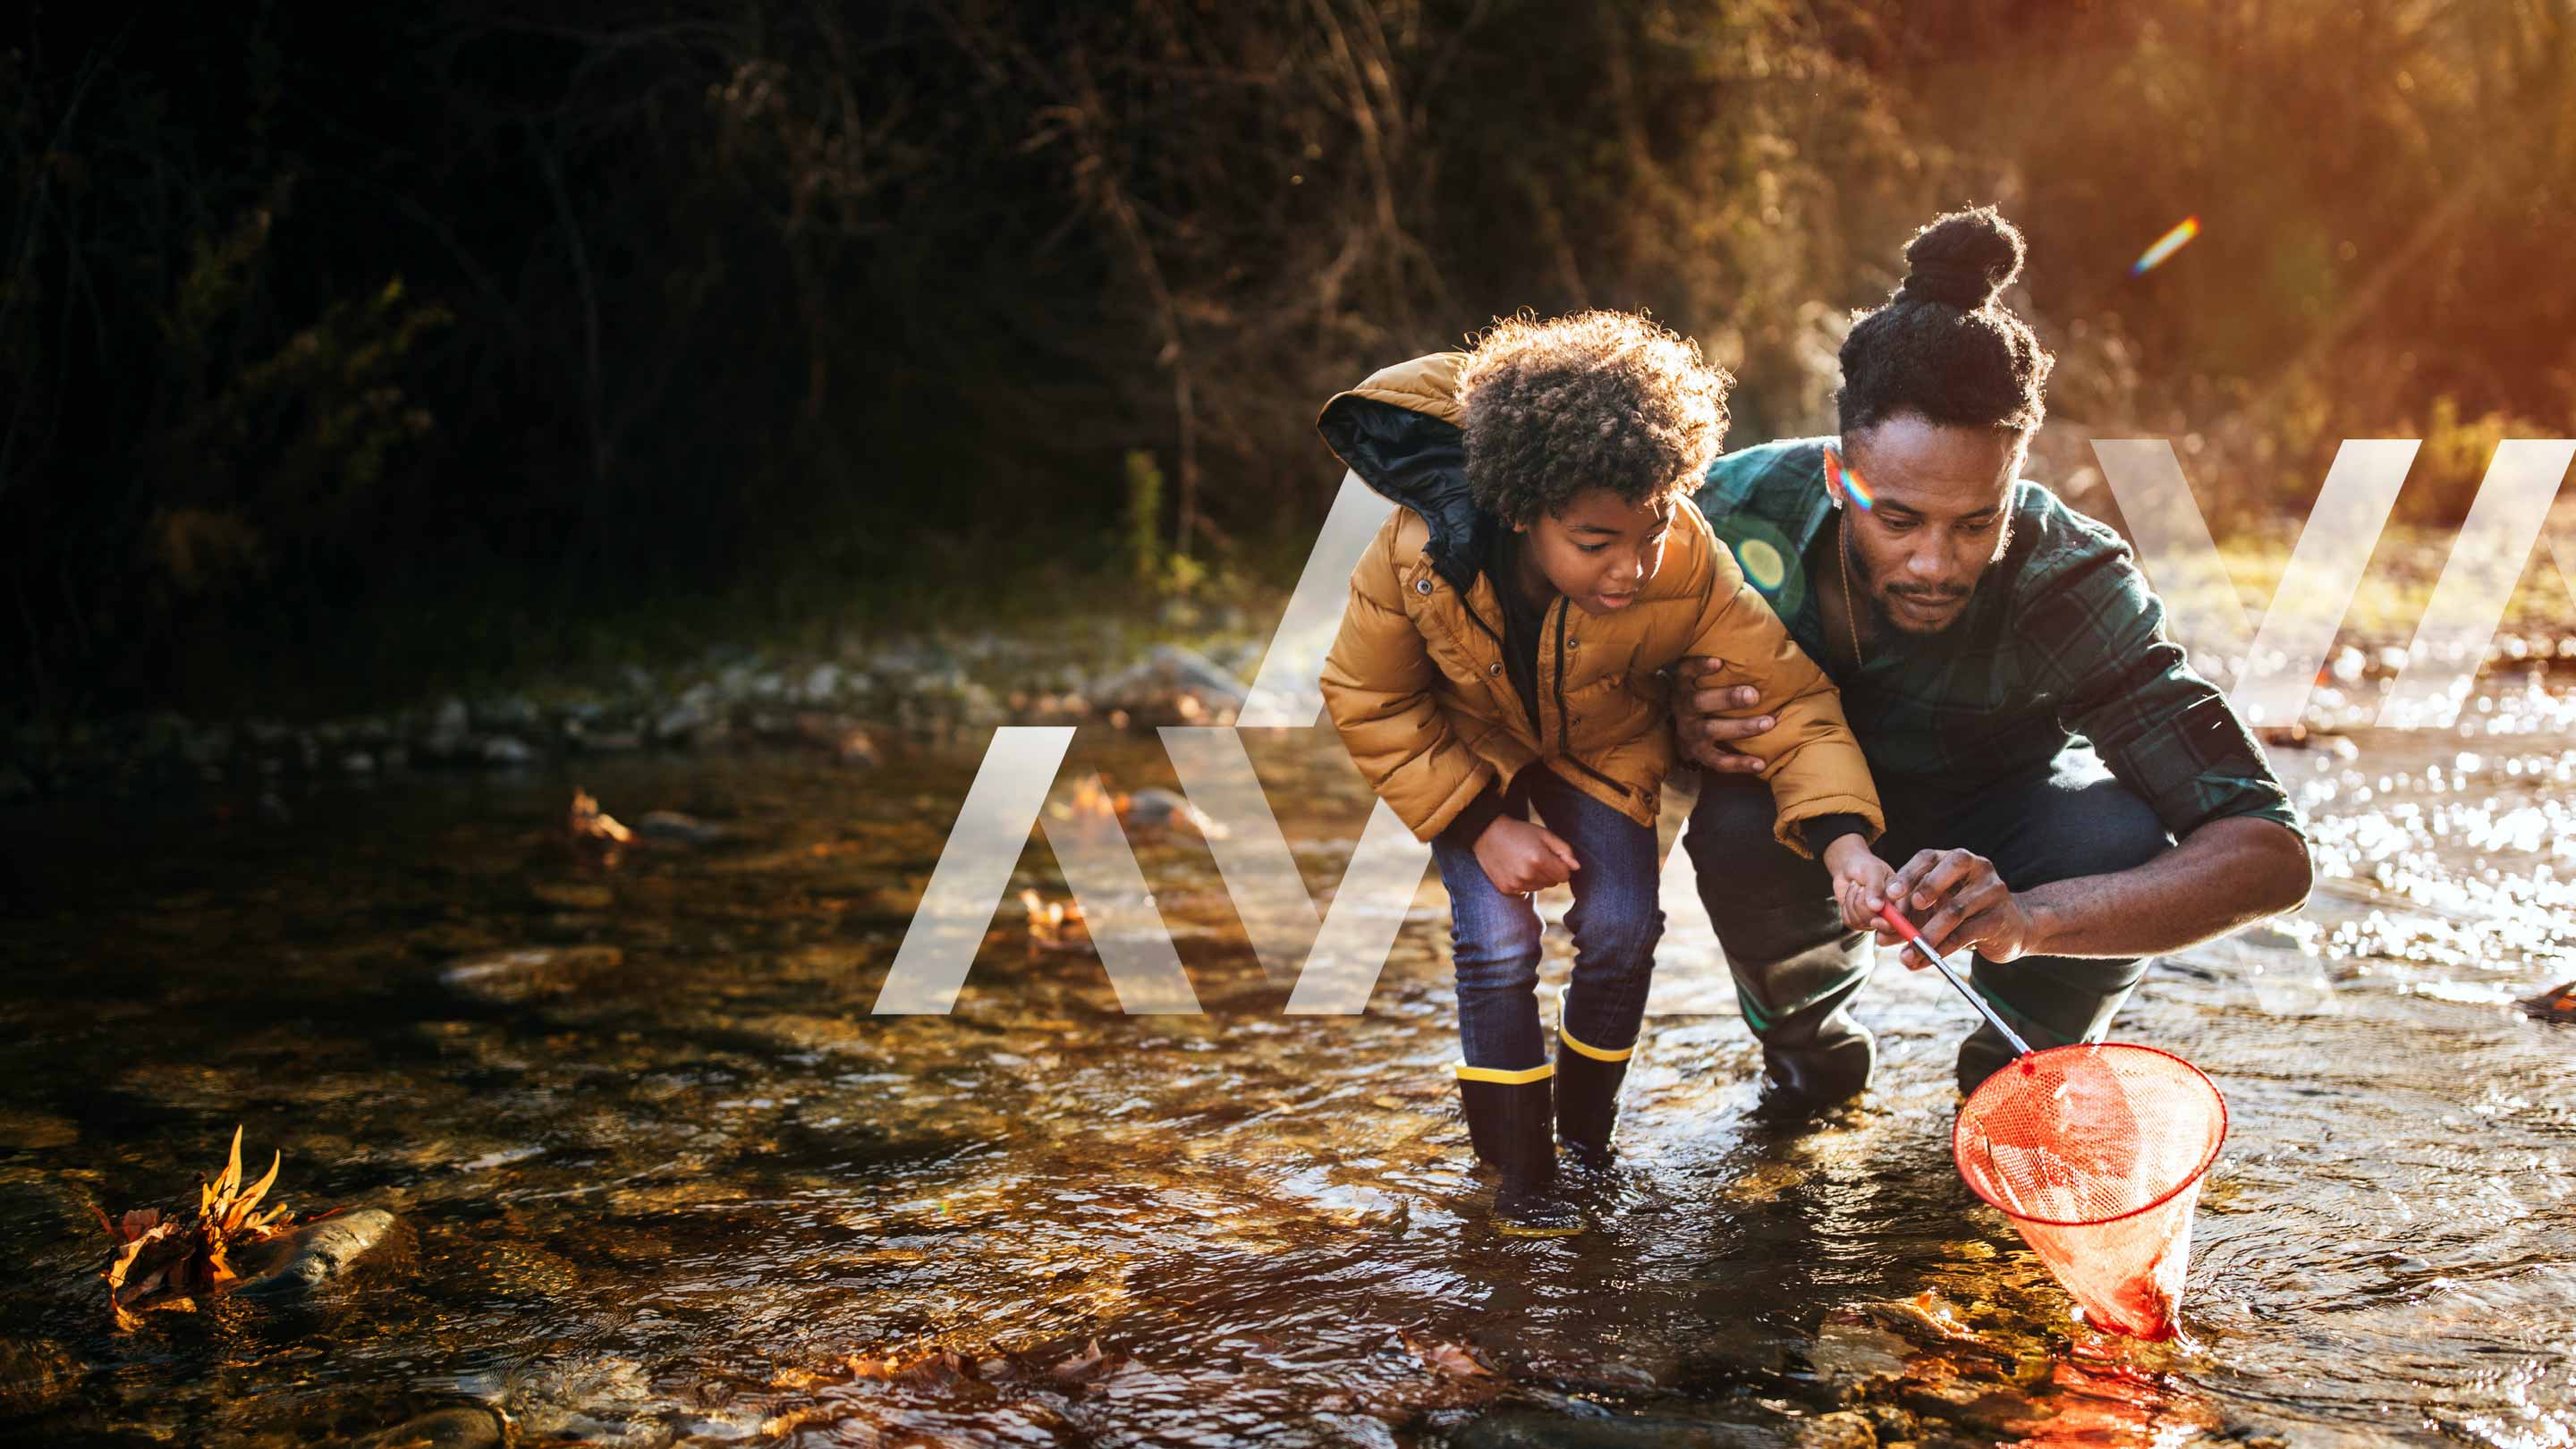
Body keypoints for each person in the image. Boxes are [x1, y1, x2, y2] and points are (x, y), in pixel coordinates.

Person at [1671, 208, 2314, 1114]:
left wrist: (2033, 922)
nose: (1935, 564)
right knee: (1733, 824)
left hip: (2010, 826)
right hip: (1795, 827)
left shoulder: (2070, 576)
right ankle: (1808, 1054)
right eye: (1896, 520)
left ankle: (2011, 1087)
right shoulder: (1723, 516)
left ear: (2016, 476)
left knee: (2117, 833)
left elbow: (2270, 851)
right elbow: (1552, 673)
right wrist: (1672, 718)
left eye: (1977, 522)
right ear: (1835, 476)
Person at [1316, 311, 1890, 1236]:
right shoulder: (1417, 557)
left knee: (1625, 928)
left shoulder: (1688, 559)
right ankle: (1520, 1178)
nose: (1631, 569)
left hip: (1608, 746)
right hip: (1474, 757)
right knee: (1498, 942)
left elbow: (1791, 701)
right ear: (1519, 510)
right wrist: (1476, 827)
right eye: (1596, 544)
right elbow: (1366, 696)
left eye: (1651, 532)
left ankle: (1585, 1147)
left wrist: (1845, 843)